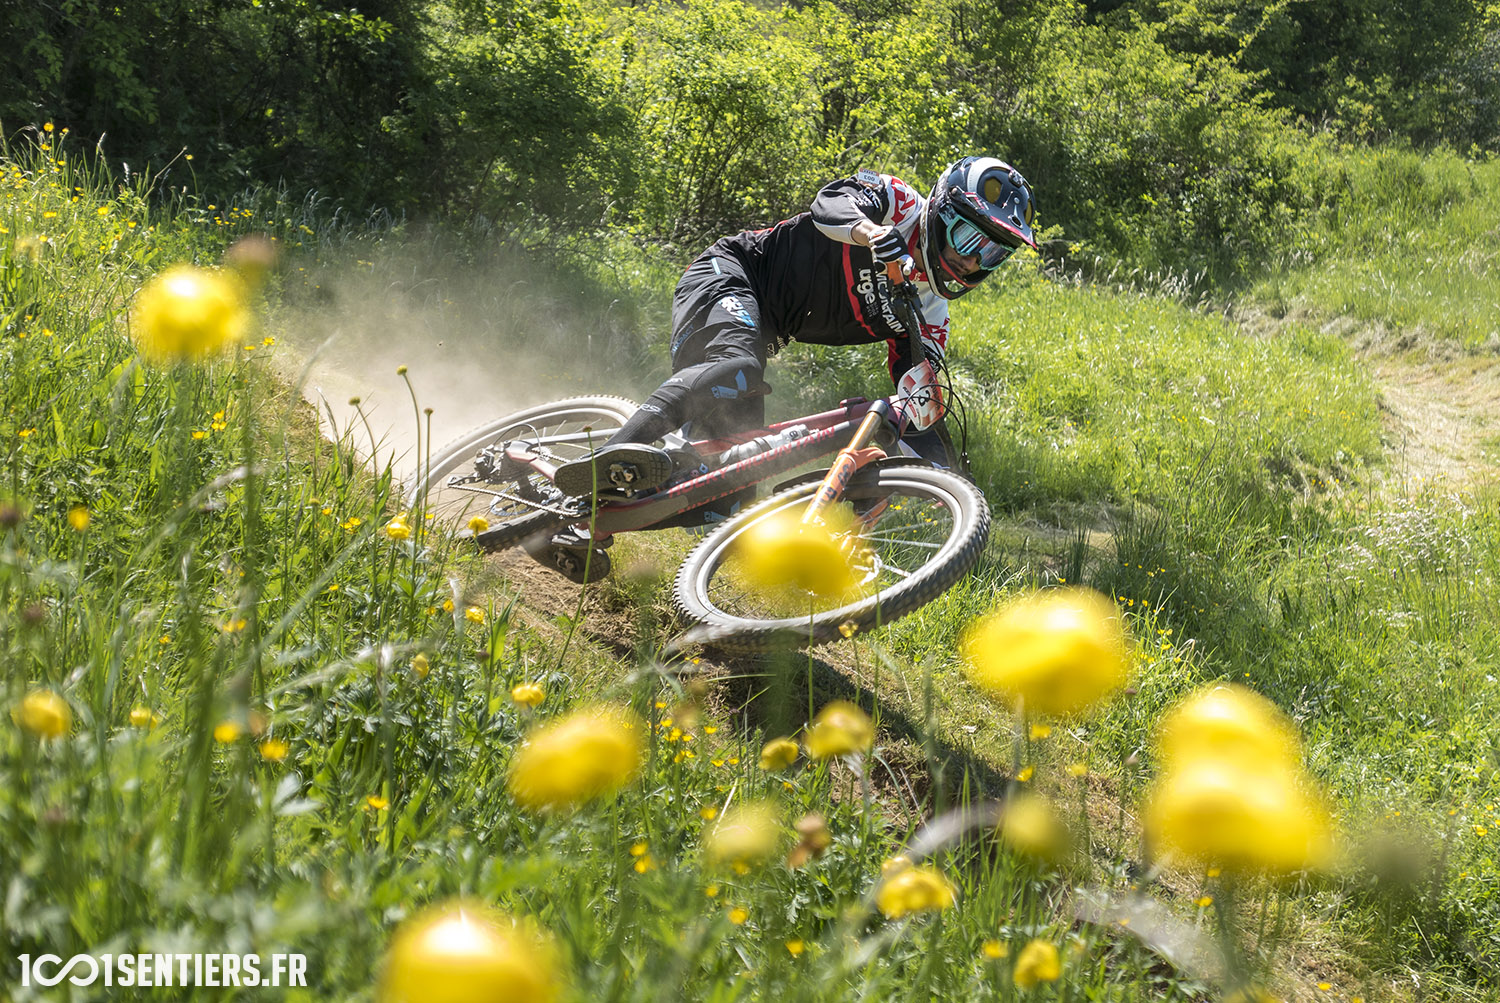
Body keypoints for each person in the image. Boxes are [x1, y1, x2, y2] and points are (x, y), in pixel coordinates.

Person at [554, 156, 1038, 503]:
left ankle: (598, 517)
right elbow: (828, 202)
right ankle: (608, 457)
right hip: (730, 273)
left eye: (993, 252)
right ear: (941, 212)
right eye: (969, 236)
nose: (974, 258)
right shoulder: (895, 202)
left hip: (761, 331)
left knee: (727, 490)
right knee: (737, 367)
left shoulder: (928, 314)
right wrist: (871, 234)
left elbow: (921, 410)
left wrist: (950, 482)